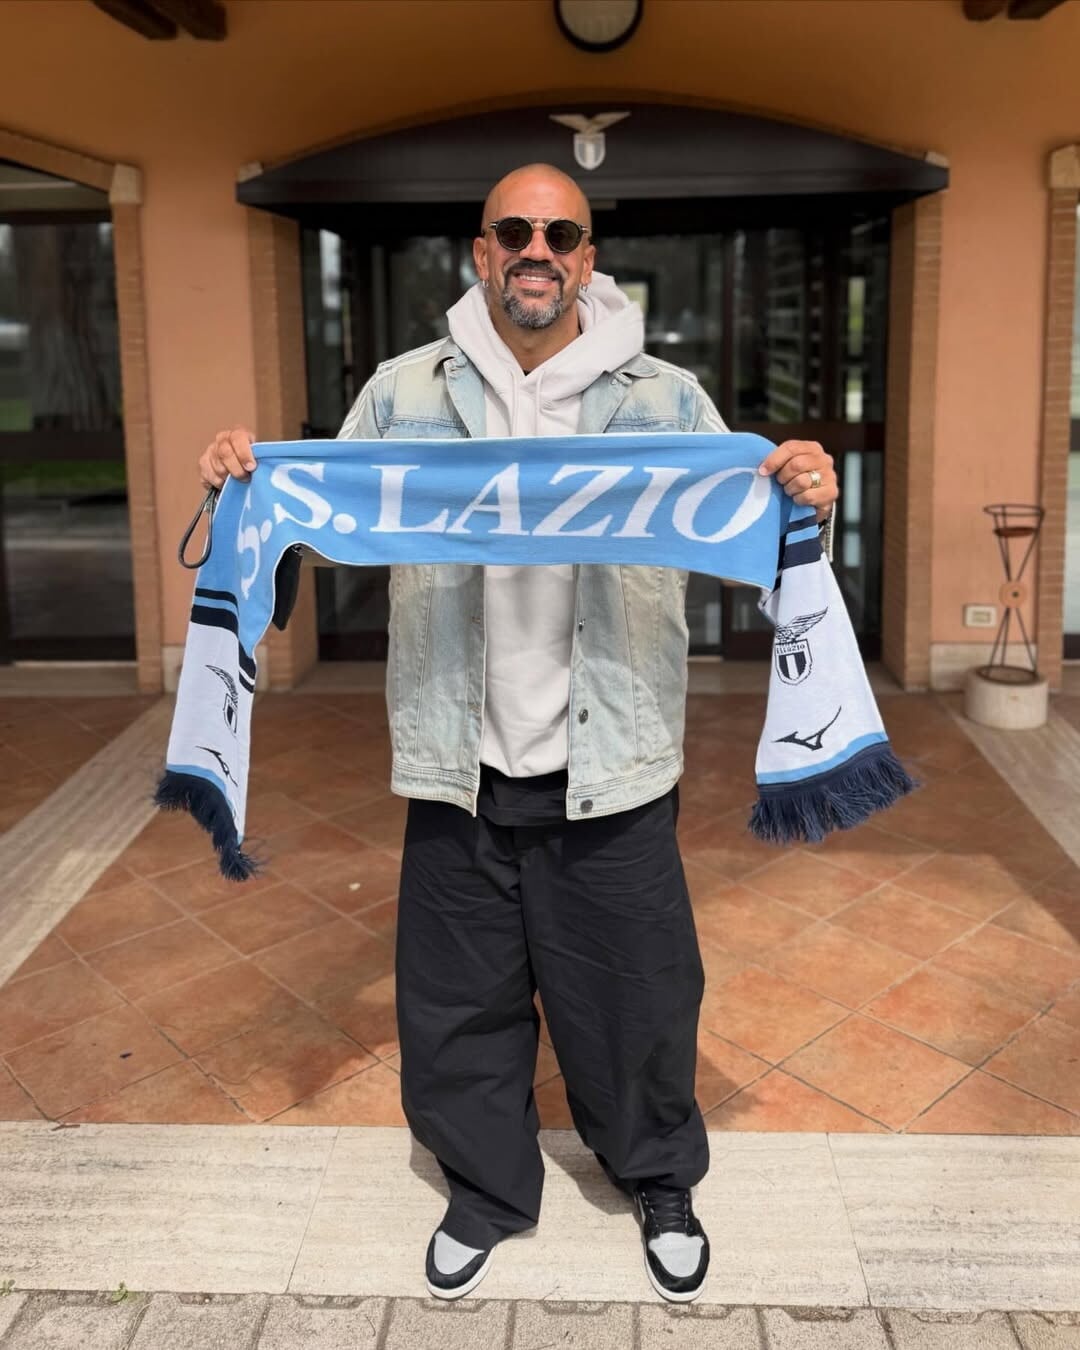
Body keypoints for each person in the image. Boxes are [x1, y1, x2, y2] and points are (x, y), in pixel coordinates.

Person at [199, 164, 839, 1304]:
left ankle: (657, 1178)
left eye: (560, 233)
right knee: (459, 1000)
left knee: (640, 996)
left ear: (587, 259)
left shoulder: (668, 403)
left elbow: (755, 539)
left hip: (615, 761)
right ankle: (485, 1190)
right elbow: (316, 523)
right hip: (461, 761)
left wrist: (805, 496)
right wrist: (248, 485)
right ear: (481, 253)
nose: (536, 249)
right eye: (514, 231)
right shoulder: (403, 393)